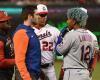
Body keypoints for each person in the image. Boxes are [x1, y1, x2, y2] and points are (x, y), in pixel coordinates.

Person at [55, 7, 99, 80]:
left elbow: (58, 52)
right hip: (86, 73)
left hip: (72, 73)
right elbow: (95, 55)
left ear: (74, 21)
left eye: (69, 19)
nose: (67, 21)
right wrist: (92, 68)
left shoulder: (71, 35)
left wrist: (61, 36)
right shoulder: (91, 36)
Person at [32, 4, 60, 80]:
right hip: (35, 69)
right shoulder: (30, 31)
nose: (44, 17)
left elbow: (61, 49)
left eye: (45, 15)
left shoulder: (54, 30)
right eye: (41, 15)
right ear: (34, 15)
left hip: (50, 69)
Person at [13, 5, 41, 80]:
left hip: (32, 74)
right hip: (26, 75)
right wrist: (27, 78)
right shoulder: (22, 32)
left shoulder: (30, 31)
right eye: (37, 14)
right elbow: (19, 60)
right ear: (30, 16)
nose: (39, 17)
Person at [0, 11, 15, 80]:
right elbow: (1, 62)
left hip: (8, 73)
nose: (8, 22)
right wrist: (17, 61)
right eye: (5, 20)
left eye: (8, 20)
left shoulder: (6, 34)